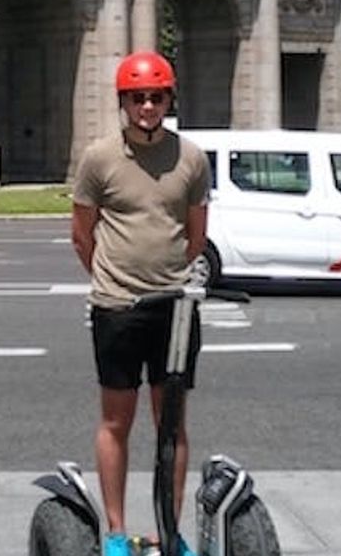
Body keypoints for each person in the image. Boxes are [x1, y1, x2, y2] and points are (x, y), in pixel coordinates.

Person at [70, 51, 209, 556]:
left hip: (174, 305)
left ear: (169, 99)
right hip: (118, 306)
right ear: (123, 103)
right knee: (116, 420)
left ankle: (170, 529)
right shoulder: (99, 159)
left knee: (171, 421)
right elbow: (82, 235)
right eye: (138, 98)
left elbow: (195, 236)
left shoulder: (190, 158)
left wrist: (167, 275)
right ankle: (114, 531)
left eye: (156, 97)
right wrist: (114, 280)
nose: (147, 106)